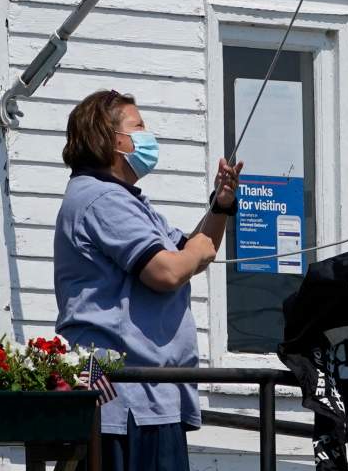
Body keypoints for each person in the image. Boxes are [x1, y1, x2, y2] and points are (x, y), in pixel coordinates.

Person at [54, 89, 243, 471]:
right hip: (124, 404)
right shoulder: (101, 200)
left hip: (149, 397)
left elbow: (188, 250)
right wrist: (194, 254)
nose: (147, 134)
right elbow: (167, 271)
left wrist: (221, 205)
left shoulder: (125, 200)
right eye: (137, 125)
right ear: (110, 140)